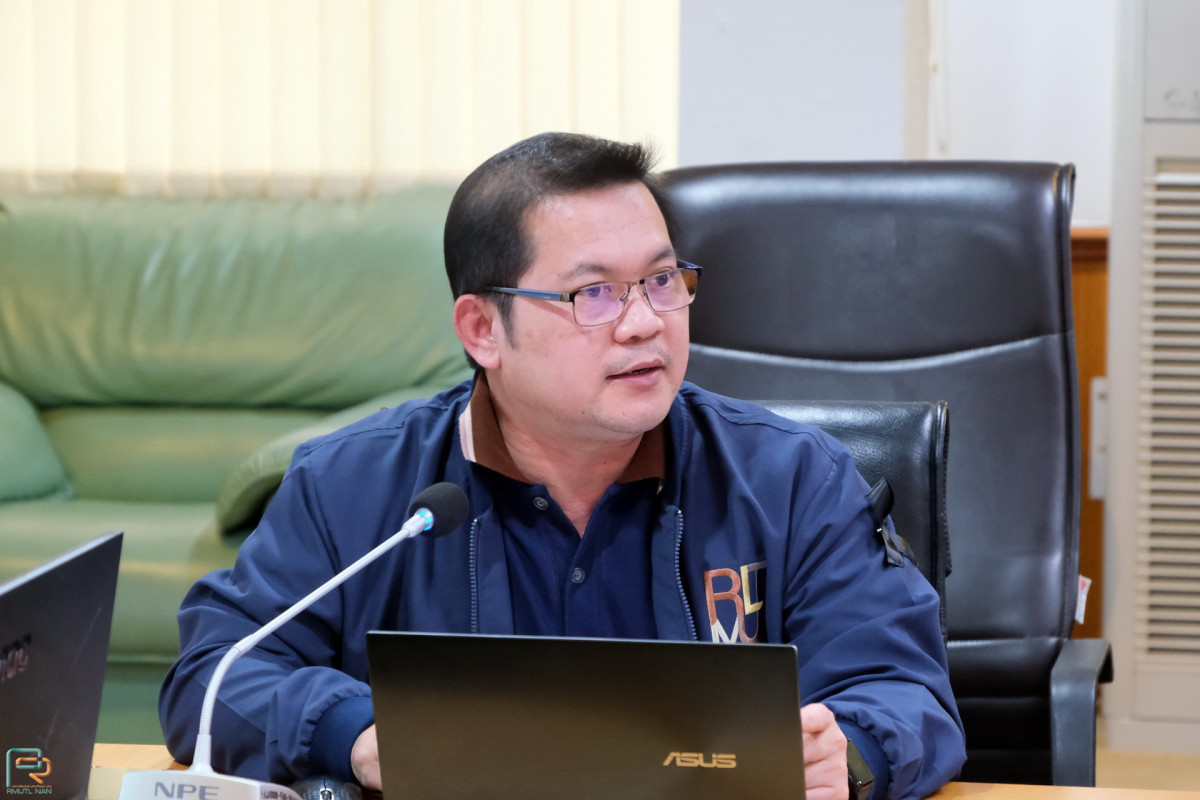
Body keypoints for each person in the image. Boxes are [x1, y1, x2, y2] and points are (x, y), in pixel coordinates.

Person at [160, 132, 966, 800]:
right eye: (595, 295)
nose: (645, 322)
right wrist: (358, 735)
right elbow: (215, 676)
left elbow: (907, 691)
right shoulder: (355, 486)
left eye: (661, 280)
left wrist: (849, 754)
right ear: (482, 330)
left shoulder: (791, 480)